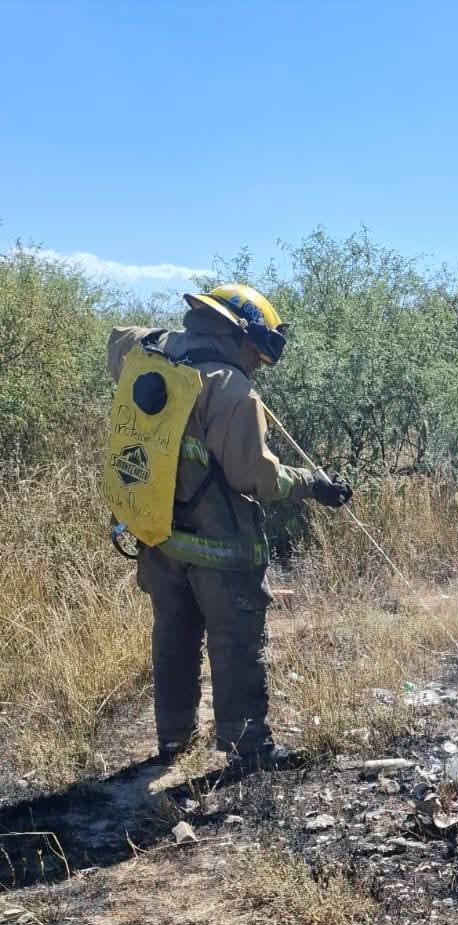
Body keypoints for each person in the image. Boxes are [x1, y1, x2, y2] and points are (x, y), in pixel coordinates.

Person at [104, 284, 352, 770]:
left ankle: (173, 740)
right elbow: (253, 477)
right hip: (220, 551)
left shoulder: (148, 352)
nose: (259, 363)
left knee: (172, 637)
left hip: (157, 535)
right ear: (237, 334)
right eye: (256, 351)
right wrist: (313, 484)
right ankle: (247, 748)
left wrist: (165, 340)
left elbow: (117, 340)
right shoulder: (230, 389)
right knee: (236, 643)